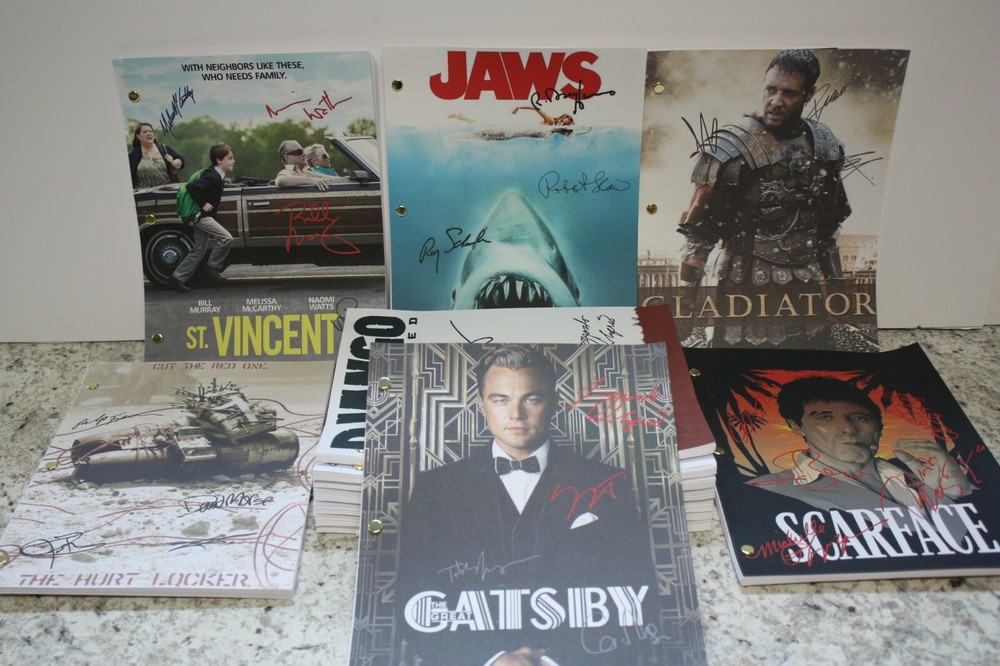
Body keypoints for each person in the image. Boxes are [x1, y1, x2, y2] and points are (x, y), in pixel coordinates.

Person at [396, 345, 658, 666]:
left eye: (531, 399)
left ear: (553, 402)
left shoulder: (608, 482)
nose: (516, 414)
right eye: (500, 399)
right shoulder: (434, 488)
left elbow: (636, 593)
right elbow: (413, 597)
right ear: (481, 404)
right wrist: (491, 660)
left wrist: (555, 662)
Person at [676, 49, 852, 347]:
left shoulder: (825, 145)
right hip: (743, 282)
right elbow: (699, 234)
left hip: (805, 284)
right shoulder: (732, 146)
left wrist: (835, 282)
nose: (776, 101)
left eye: (789, 93)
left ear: (809, 94)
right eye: (771, 89)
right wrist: (685, 305)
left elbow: (828, 225)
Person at [748, 376, 976, 512]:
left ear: (879, 427)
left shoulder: (922, 477)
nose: (849, 428)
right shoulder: (767, 490)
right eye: (825, 418)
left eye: (860, 418)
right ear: (797, 426)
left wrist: (959, 493)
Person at [167, 143, 234, 292]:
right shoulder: (212, 176)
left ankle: (176, 278)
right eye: (230, 158)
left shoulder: (216, 175)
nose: (233, 161)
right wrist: (203, 203)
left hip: (200, 216)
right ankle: (211, 268)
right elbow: (192, 187)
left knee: (198, 251)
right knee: (226, 238)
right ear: (219, 160)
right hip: (201, 217)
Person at [128, 122, 184, 189]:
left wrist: (173, 162)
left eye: (150, 131)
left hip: (167, 192)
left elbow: (181, 161)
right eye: (145, 132)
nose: (148, 133)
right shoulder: (132, 155)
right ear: (138, 136)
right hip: (144, 194)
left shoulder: (164, 149)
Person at [274, 140, 340, 189]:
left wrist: (347, 178)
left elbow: (334, 180)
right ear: (287, 157)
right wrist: (312, 180)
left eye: (303, 151)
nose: (304, 154)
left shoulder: (307, 173)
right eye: (299, 152)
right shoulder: (288, 172)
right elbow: (280, 180)